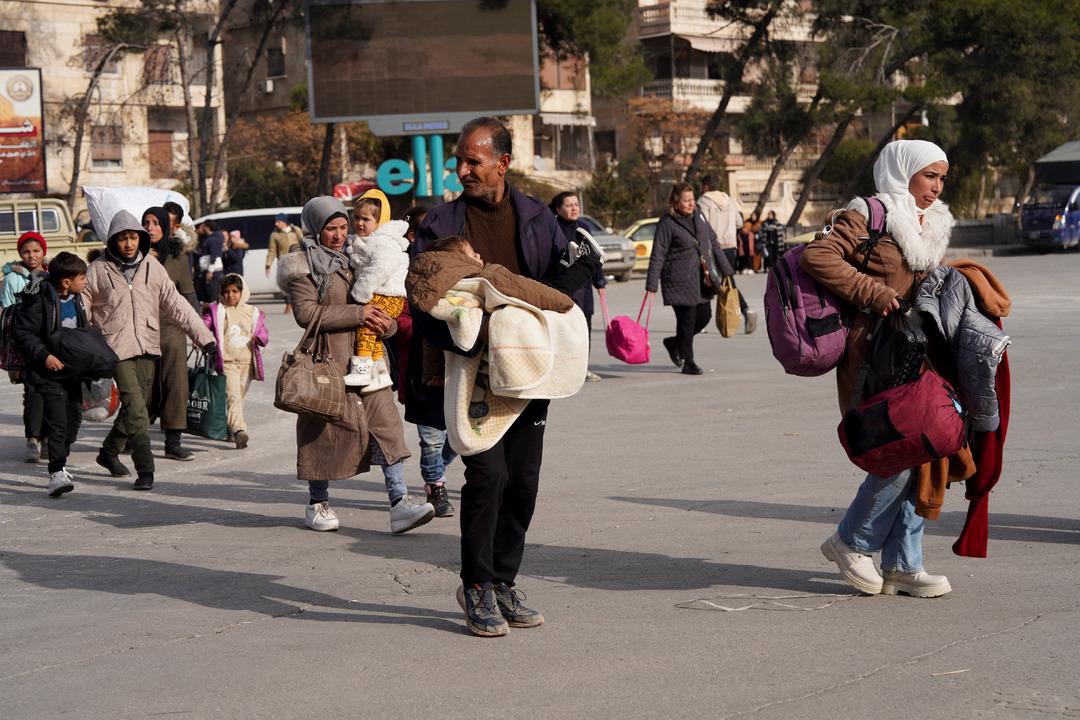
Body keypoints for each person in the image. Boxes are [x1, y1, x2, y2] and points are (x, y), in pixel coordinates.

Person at [413, 116, 601, 637]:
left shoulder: (538, 217)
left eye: (473, 161)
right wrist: (465, 337)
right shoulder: (440, 225)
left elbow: (560, 292)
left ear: (503, 163)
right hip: (470, 374)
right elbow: (423, 299)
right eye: (459, 161)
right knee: (488, 476)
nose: (462, 170)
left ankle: (503, 581)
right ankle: (476, 584)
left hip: (528, 370)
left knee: (523, 482)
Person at [801, 139, 958, 598]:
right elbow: (817, 256)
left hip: (919, 353)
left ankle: (904, 564)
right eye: (929, 175)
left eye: (942, 178)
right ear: (904, 171)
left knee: (924, 449)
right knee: (897, 447)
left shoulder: (932, 222)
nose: (936, 186)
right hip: (873, 354)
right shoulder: (869, 214)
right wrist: (874, 293)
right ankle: (851, 540)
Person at [277, 197, 434, 535]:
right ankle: (317, 503)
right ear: (315, 228)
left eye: (342, 226)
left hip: (369, 360)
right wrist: (358, 314)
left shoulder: (359, 253)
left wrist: (387, 325)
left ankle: (399, 503)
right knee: (322, 433)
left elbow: (382, 300)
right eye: (330, 229)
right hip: (327, 361)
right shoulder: (302, 263)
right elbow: (306, 313)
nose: (338, 235)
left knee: (386, 426)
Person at [83, 210, 216, 491]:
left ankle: (108, 452)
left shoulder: (152, 267)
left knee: (138, 407)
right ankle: (145, 470)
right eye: (122, 238)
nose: (128, 244)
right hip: (115, 349)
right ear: (113, 240)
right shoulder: (98, 269)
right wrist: (83, 345)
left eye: (133, 238)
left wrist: (204, 337)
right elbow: (83, 308)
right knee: (137, 410)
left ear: (140, 239)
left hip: (147, 345)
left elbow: (176, 304)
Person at [11, 252, 97, 496]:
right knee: (58, 421)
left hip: (72, 370)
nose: (85, 281)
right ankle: (56, 473)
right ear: (66, 282)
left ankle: (61, 460)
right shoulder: (40, 299)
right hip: (47, 372)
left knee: (73, 419)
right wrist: (45, 356)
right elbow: (24, 333)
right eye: (82, 277)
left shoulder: (77, 298)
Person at [400, 204, 458, 519]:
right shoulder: (401, 268)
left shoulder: (454, 261)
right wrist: (423, 325)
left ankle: (438, 470)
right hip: (422, 364)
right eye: (428, 230)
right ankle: (436, 487)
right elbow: (398, 316)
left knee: (462, 433)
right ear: (413, 235)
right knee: (432, 437)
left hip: (457, 359)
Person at [645, 182, 733, 376]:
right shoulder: (667, 222)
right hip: (678, 279)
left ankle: (674, 343)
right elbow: (658, 253)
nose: (691, 204)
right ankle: (688, 361)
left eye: (692, 199)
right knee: (687, 320)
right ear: (676, 202)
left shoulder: (699, 216)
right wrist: (652, 283)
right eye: (686, 201)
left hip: (701, 279)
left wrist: (726, 269)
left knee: (704, 317)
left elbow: (713, 241)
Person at [143, 206, 198, 461]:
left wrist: (199, 330)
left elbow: (188, 295)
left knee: (176, 385)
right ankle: (134, 436)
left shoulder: (178, 259)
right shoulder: (134, 256)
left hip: (172, 330)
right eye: (146, 222)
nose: (150, 227)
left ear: (165, 227)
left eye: (156, 223)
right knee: (143, 385)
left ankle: (173, 442)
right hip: (141, 330)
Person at [343, 198, 408, 389]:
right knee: (374, 333)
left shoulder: (384, 242)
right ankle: (380, 373)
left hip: (389, 295)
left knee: (366, 326)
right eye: (356, 217)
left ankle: (361, 371)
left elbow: (380, 269)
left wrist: (360, 292)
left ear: (380, 221)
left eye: (366, 219)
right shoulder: (366, 241)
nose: (359, 223)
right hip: (380, 294)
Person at [202, 274, 268, 449]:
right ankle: (239, 430)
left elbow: (263, 333)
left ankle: (230, 429)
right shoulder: (217, 310)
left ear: (242, 292)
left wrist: (259, 338)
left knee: (240, 397)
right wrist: (201, 333)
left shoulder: (252, 312)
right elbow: (203, 326)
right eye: (226, 292)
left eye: (235, 291)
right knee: (233, 396)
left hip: (246, 363)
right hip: (227, 363)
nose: (230, 295)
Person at [550, 191, 606, 382]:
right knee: (565, 329)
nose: (574, 208)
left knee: (584, 327)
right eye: (568, 205)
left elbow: (594, 255)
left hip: (585, 286)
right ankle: (562, 368)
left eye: (576, 204)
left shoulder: (584, 227)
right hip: (565, 286)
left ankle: (583, 368)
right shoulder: (553, 228)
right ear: (558, 209)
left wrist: (600, 281)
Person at [2, 231, 47, 462]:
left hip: (49, 345)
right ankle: (32, 438)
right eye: (26, 251)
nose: (31, 255)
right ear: (20, 253)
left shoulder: (50, 276)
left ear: (43, 252)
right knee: (32, 393)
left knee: (51, 393)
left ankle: (47, 438)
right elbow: (7, 317)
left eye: (36, 251)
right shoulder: (12, 279)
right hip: (24, 347)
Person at [696, 176, 757, 334]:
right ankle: (746, 311)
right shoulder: (729, 200)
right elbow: (739, 222)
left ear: (705, 187)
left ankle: (701, 320)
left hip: (713, 247)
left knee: (708, 280)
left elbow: (701, 225)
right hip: (730, 247)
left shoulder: (704, 201)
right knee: (726, 280)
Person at [266, 213, 302, 314]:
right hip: (283, 263)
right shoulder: (274, 234)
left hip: (297, 262)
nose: (276, 223)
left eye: (278, 221)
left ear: (284, 222)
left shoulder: (296, 230)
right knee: (285, 285)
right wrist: (268, 265)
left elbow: (303, 243)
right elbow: (272, 251)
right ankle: (288, 304)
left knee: (298, 284)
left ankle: (298, 305)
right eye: (276, 221)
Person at [194, 219, 225, 302]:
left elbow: (214, 256)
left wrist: (210, 271)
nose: (201, 228)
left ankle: (214, 310)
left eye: (203, 226)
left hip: (213, 271)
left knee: (212, 295)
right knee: (207, 295)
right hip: (208, 270)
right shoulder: (209, 238)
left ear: (207, 227)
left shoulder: (214, 239)